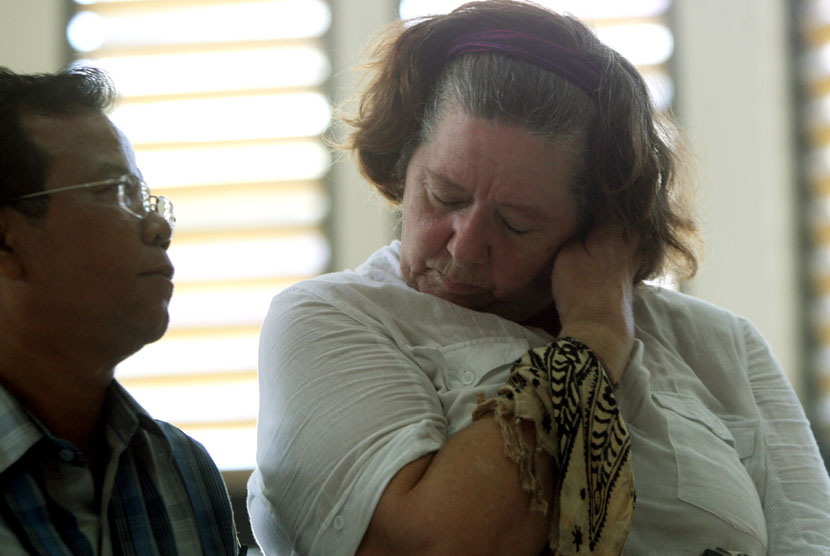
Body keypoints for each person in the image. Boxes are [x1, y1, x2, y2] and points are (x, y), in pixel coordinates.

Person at [247, 1, 830, 554]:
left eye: (517, 223)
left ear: (596, 228)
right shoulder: (332, 318)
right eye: (444, 195)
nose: (466, 245)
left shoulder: (722, 345)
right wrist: (596, 337)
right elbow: (432, 545)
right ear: (405, 161)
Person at [0, 66, 242, 555]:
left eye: (146, 196)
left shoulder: (182, 469)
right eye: (114, 192)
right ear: (7, 240)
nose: (158, 228)